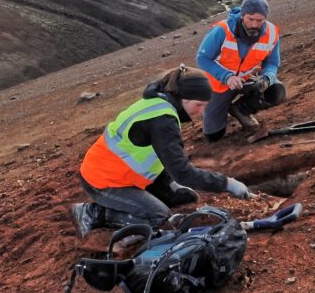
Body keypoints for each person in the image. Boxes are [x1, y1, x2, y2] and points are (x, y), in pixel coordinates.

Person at [69, 65, 251, 239]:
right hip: (103, 181)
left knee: (183, 198)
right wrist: (227, 183)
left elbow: (156, 154)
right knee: (158, 217)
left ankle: (135, 200)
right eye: (199, 105)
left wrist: (168, 183)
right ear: (185, 99)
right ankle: (92, 213)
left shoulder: (159, 103)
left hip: (121, 174)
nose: (202, 112)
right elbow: (182, 172)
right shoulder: (162, 120)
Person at [196, 0, 286, 140]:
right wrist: (227, 77)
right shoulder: (222, 30)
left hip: (247, 80)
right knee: (213, 135)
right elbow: (202, 58)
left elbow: (272, 62)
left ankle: (241, 109)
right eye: (251, 19)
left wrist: (268, 77)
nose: (255, 25)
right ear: (242, 15)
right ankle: (214, 109)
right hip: (220, 84)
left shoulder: (271, 33)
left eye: (260, 20)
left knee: (276, 91)